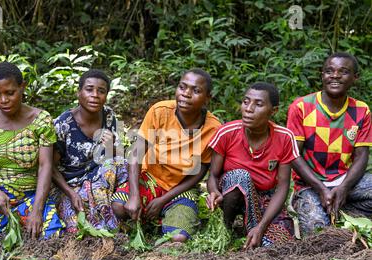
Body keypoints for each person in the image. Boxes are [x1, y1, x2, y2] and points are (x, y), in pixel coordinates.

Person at [112, 68, 222, 242]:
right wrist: (134, 196)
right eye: (182, 87)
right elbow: (136, 154)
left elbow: (200, 171)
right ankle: (151, 217)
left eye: (196, 90)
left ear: (208, 98)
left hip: (180, 188)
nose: (186, 94)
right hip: (150, 178)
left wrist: (163, 200)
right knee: (119, 206)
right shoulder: (160, 111)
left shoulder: (213, 128)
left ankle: (163, 218)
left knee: (177, 238)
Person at [0, 61, 64, 240]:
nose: (3, 100)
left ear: (22, 87)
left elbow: (45, 166)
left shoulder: (41, 120)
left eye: (10, 93)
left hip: (33, 194)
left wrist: (37, 209)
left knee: (51, 235)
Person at [287, 52, 372, 235]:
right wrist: (321, 188)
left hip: (346, 181)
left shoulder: (361, 110)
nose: (335, 75)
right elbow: (294, 155)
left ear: (355, 78)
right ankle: (323, 209)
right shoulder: (301, 106)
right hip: (310, 185)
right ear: (322, 75)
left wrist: (344, 188)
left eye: (343, 71)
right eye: (329, 71)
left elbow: (362, 156)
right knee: (318, 231)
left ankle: (345, 211)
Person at [207, 82, 298, 249]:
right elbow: (212, 175)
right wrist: (213, 192)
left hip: (265, 198)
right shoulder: (227, 132)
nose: (249, 109)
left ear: (274, 111)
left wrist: (262, 227)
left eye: (259, 104)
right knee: (240, 176)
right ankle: (226, 227)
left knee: (280, 243)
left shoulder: (285, 138)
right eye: (246, 101)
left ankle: (255, 229)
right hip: (230, 196)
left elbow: (283, 187)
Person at [52, 69, 128, 233]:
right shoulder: (63, 124)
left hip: (99, 175)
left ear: (106, 96)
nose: (95, 95)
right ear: (79, 93)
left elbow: (119, 154)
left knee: (124, 163)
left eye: (101, 91)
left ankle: (121, 207)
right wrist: (70, 193)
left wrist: (112, 146)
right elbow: (50, 168)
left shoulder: (109, 116)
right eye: (89, 89)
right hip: (69, 184)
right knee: (77, 225)